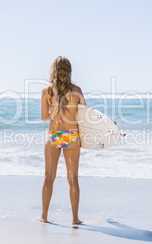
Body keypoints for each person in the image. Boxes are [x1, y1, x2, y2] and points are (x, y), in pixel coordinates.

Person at [40, 56, 86, 225]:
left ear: (53, 70)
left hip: (54, 136)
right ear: (69, 71)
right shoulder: (77, 91)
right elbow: (85, 117)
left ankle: (44, 217)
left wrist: (54, 112)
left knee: (48, 177)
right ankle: (75, 219)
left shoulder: (47, 91)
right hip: (72, 137)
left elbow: (44, 117)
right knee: (73, 178)